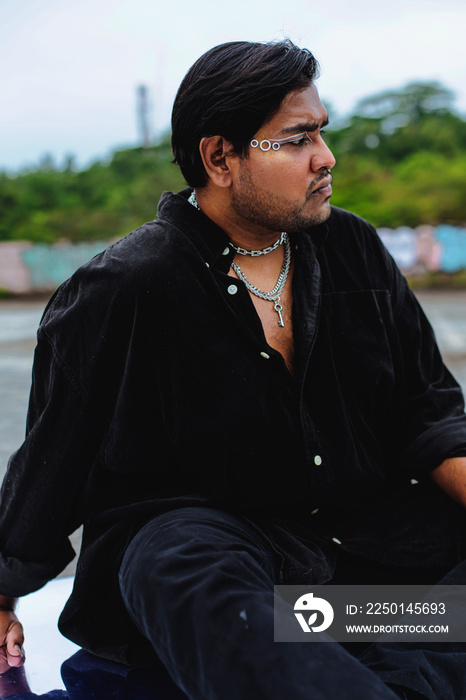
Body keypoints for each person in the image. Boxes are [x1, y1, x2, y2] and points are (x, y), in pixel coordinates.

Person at [0, 39, 466, 700]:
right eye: (298, 139)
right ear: (221, 157)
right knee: (176, 557)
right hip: (224, 575)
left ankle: (382, 672)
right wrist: (5, 589)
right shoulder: (125, 286)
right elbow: (53, 458)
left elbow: (430, 411)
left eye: (322, 134)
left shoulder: (353, 249)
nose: (326, 158)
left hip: (356, 579)